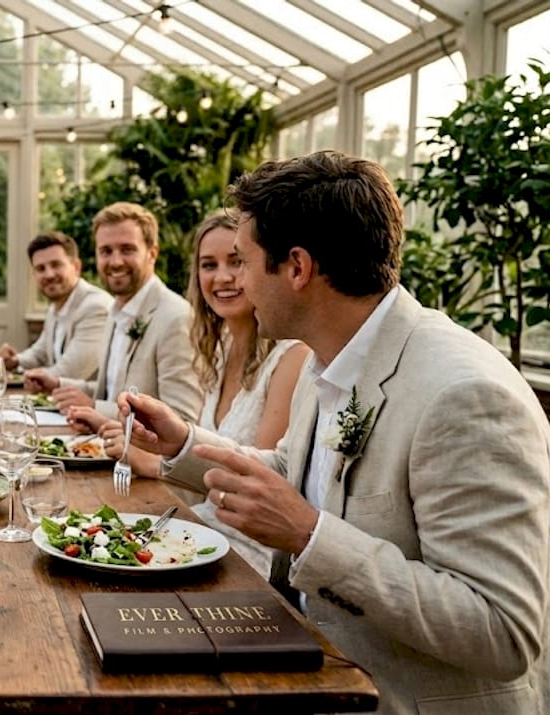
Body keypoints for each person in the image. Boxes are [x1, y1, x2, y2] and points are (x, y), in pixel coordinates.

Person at [122, 151, 550, 714]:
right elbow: (295, 476)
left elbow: (502, 631)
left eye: (246, 261)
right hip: (311, 671)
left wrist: (308, 536)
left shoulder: (464, 394)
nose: (238, 281)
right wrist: (184, 443)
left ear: (297, 268)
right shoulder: (327, 360)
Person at [103, 208, 308, 574]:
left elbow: (260, 486)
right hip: (196, 534)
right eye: (208, 265)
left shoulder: (291, 356)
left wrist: (156, 463)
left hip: (247, 558)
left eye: (237, 261)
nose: (223, 277)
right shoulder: (220, 348)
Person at [25, 201, 202, 433]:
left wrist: (95, 408)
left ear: (152, 253)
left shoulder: (175, 318)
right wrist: (59, 384)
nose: (115, 261)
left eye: (127, 249)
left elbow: (183, 420)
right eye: (106, 251)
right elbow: (112, 391)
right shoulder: (115, 311)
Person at [0, 231, 111, 381]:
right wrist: (14, 361)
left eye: (56, 265)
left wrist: (24, 376)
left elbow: (70, 372)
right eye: (40, 268)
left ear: (76, 266)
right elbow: (40, 352)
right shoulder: (56, 305)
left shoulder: (95, 307)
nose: (49, 275)